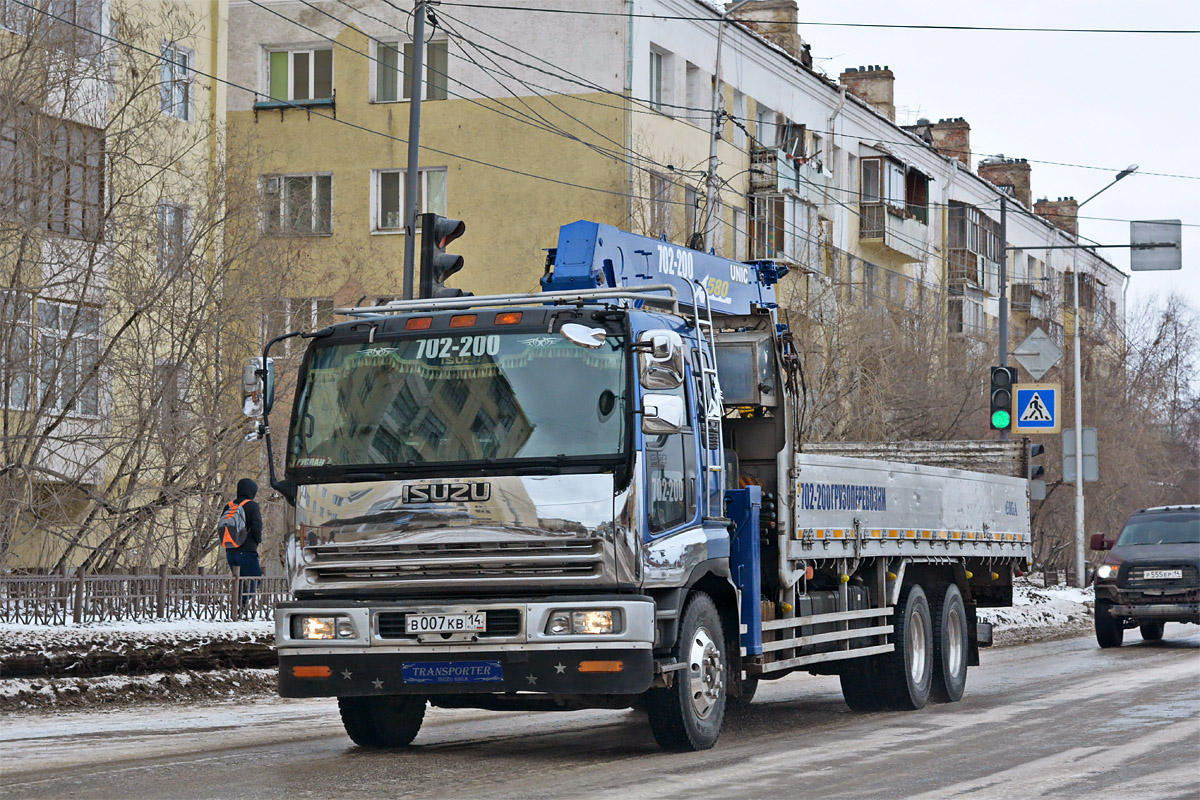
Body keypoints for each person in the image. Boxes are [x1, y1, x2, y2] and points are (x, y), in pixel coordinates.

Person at [226, 477, 264, 610]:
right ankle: (240, 605)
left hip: (230, 550)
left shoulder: (229, 506)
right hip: (247, 550)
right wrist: (257, 541)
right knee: (256, 579)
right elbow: (257, 526)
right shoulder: (252, 505)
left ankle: (237, 606)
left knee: (239, 581)